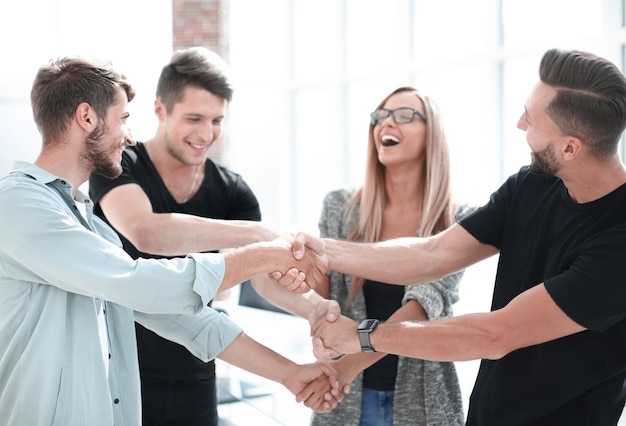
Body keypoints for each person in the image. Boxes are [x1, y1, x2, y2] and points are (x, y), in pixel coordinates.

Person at [0, 55, 338, 426]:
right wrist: (262, 251)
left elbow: (184, 319)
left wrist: (289, 373)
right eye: (123, 118)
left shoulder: (86, 220)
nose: (128, 135)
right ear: (87, 117)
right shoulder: (18, 204)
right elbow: (142, 282)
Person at [299, 48, 626, 425]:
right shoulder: (532, 185)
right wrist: (323, 251)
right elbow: (433, 253)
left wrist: (362, 336)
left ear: (570, 147)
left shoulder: (619, 243)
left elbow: (493, 335)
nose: (520, 123)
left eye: (532, 120)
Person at [88, 46, 310, 426]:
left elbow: (263, 280)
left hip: (197, 371)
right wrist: (258, 235)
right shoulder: (119, 165)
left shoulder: (233, 192)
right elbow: (146, 232)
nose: (206, 134)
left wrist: (317, 311)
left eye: (216, 120)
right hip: (117, 373)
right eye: (194, 118)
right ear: (160, 110)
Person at [310, 87, 473, 426]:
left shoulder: (460, 220)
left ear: (432, 133)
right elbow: (322, 296)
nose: (386, 123)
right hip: (345, 399)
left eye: (403, 115)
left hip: (422, 402)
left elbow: (423, 305)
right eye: (380, 117)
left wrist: (349, 364)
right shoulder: (340, 207)